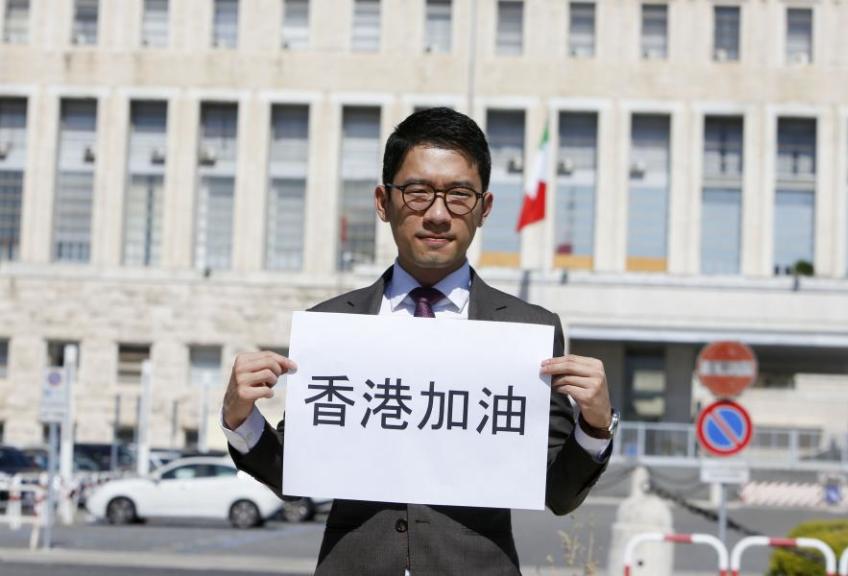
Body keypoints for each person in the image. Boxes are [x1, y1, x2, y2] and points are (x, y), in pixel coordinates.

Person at [221, 107, 616, 575]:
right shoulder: (333, 325)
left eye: (458, 195)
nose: (436, 214)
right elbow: (295, 475)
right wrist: (239, 419)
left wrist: (593, 426)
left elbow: (556, 492)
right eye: (417, 192)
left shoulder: (528, 330)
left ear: (484, 208)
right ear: (383, 201)